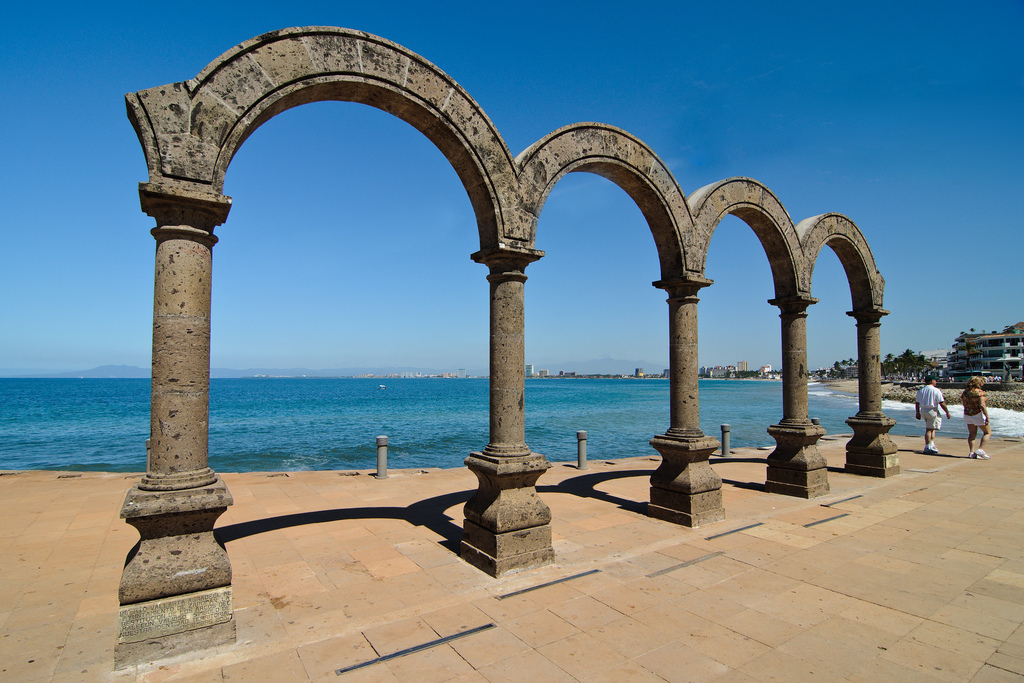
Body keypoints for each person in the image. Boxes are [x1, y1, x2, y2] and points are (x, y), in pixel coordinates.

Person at [915, 376, 950, 454]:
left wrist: (917, 412)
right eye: (935, 380)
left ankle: (931, 444)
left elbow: (917, 403)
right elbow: (942, 402)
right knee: (929, 429)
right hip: (932, 410)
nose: (936, 382)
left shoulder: (921, 390)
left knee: (932, 428)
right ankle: (927, 446)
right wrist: (947, 412)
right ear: (931, 381)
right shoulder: (936, 390)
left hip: (923, 410)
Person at [962, 376, 991, 459]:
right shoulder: (979, 392)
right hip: (977, 413)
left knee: (972, 433)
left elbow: (964, 403)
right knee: (987, 432)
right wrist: (987, 416)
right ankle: (981, 449)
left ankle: (971, 452)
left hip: (967, 414)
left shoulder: (965, 392)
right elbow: (982, 405)